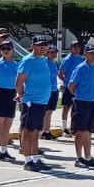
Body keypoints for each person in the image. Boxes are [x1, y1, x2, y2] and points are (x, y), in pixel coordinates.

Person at [15, 36, 56, 170]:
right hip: (31, 101)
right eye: (39, 45)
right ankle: (28, 161)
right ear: (32, 46)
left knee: (36, 131)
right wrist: (22, 96)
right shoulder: (28, 61)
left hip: (42, 101)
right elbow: (19, 81)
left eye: (44, 44)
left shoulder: (43, 60)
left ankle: (36, 158)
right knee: (28, 131)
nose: (43, 47)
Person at [65, 41, 94, 167]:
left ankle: (88, 157)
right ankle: (79, 158)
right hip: (82, 103)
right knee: (80, 132)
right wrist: (79, 96)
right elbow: (71, 85)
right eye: (91, 53)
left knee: (89, 132)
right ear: (86, 54)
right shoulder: (80, 68)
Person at [57, 40, 84, 134]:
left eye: (78, 47)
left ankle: (74, 126)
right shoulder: (67, 59)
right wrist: (66, 82)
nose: (77, 49)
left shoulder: (81, 59)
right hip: (68, 86)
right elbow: (60, 74)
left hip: (78, 87)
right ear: (71, 48)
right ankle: (64, 127)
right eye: (75, 47)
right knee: (66, 106)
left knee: (75, 107)